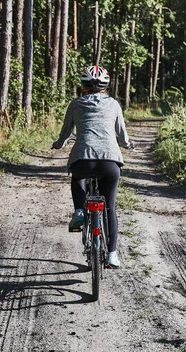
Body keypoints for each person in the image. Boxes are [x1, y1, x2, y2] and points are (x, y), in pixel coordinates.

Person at [52, 65, 133, 268]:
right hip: (110, 163)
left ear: (84, 85)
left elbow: (66, 131)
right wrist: (128, 144)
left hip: (82, 160)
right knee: (110, 208)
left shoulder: (76, 104)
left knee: (77, 176)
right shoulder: (113, 104)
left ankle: (79, 210)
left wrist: (59, 143)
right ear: (105, 85)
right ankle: (113, 254)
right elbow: (122, 135)